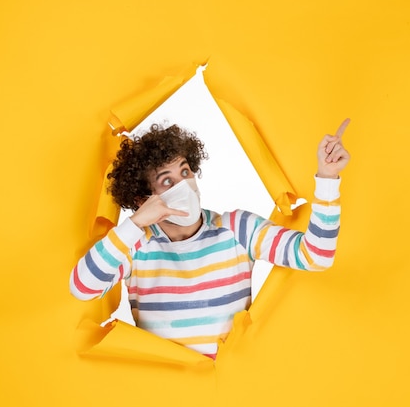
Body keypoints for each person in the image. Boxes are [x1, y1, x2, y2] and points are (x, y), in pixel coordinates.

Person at [70, 120, 350, 359]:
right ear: (143, 199)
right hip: (165, 392)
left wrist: (327, 178)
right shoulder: (135, 246)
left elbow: (315, 255)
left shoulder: (238, 229)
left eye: (185, 171)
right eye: (167, 181)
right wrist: (134, 224)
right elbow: (83, 287)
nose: (184, 184)